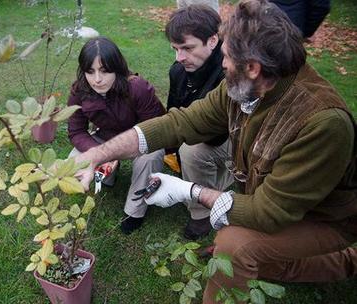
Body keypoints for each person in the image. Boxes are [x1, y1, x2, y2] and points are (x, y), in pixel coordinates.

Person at [74, 0, 357, 302]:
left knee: (235, 245)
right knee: (263, 261)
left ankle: (348, 258)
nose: (221, 64)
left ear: (252, 67)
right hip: (277, 201)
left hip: (325, 219)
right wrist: (98, 154)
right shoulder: (245, 85)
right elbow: (181, 122)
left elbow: (268, 212)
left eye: (225, 56)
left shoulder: (321, 123)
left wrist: (190, 191)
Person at [67, 37, 166, 234]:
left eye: (104, 71)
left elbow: (156, 129)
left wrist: (116, 152)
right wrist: (98, 153)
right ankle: (107, 177)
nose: (97, 79)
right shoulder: (80, 90)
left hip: (140, 139)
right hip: (104, 137)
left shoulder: (137, 88)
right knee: (72, 161)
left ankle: (134, 212)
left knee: (151, 157)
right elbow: (76, 130)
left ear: (117, 68)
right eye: (90, 71)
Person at [165, 4, 232, 240]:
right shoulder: (178, 71)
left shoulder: (228, 72)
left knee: (192, 152)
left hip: (237, 137)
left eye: (187, 48)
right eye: (175, 49)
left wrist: (181, 136)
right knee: (181, 150)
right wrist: (169, 147)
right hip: (202, 133)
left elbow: (217, 135)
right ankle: (209, 188)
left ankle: (201, 214)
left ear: (213, 41)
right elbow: (173, 110)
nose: (179, 57)